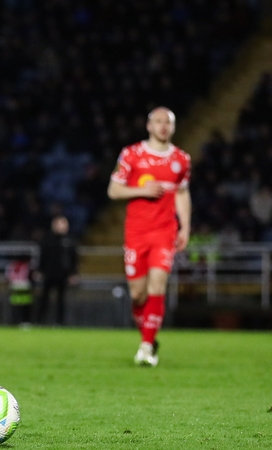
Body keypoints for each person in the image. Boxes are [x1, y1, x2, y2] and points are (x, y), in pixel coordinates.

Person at [107, 107, 191, 367]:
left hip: (165, 231)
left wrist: (185, 227)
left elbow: (182, 193)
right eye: (158, 121)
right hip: (136, 232)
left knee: (158, 285)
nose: (163, 126)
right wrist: (140, 190)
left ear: (173, 127)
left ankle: (146, 347)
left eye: (168, 122)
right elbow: (113, 190)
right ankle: (147, 336)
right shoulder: (131, 154)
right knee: (137, 294)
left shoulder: (181, 159)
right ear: (148, 126)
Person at [34, 215, 79, 326]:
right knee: (44, 299)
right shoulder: (47, 239)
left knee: (61, 300)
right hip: (49, 273)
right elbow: (42, 256)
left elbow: (74, 258)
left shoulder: (70, 240)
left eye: (64, 224)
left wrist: (73, 273)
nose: (62, 227)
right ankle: (39, 321)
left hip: (63, 274)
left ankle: (60, 322)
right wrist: (39, 270)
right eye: (59, 224)